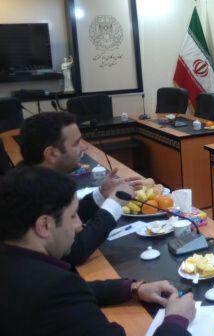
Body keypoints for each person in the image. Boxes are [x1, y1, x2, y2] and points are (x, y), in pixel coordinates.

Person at [0, 165, 195, 335]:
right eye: (73, 216)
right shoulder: (56, 289)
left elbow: (74, 291)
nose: (79, 225)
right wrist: (176, 320)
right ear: (44, 225)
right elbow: (62, 294)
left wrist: (133, 288)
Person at [19, 111, 142, 265]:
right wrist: (115, 203)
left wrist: (101, 194)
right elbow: (73, 252)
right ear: (51, 154)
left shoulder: (34, 175)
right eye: (76, 143)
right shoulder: (29, 192)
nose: (84, 147)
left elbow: (66, 217)